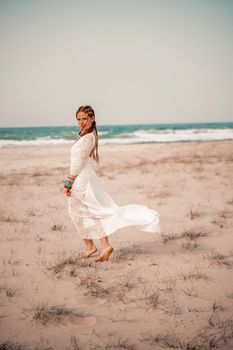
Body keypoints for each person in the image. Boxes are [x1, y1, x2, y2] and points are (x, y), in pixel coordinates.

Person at [64, 105, 160, 262]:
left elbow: (79, 161)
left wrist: (68, 182)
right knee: (86, 211)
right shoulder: (86, 135)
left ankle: (97, 247)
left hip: (82, 178)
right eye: (78, 119)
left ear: (92, 118)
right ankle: (93, 247)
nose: (81, 122)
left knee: (83, 212)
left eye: (84, 119)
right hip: (83, 177)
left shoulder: (88, 137)